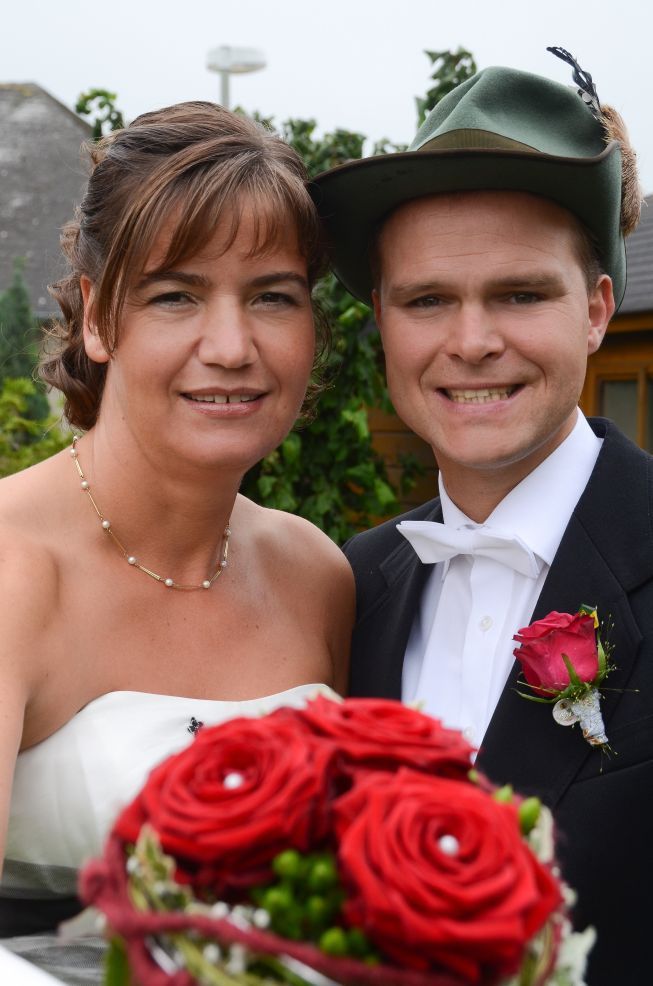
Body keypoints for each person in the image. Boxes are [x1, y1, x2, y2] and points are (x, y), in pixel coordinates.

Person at [312, 52, 650, 986]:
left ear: (595, 311)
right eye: (427, 300)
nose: (471, 342)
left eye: (519, 293)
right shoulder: (348, 585)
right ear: (382, 322)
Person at [0, 101, 353, 983]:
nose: (231, 347)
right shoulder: (13, 567)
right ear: (96, 318)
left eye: (272, 296)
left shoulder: (317, 576)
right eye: (175, 296)